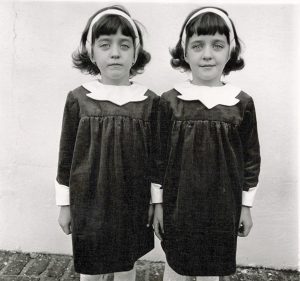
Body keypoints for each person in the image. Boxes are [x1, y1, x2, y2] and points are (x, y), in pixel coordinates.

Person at [153, 6, 261, 281]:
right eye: (198, 45)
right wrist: (158, 204)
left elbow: (251, 158)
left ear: (230, 51)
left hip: (222, 211)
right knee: (177, 267)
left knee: (212, 272)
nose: (207, 54)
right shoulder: (170, 101)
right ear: (185, 51)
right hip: (180, 209)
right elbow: (157, 158)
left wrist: (246, 206)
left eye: (217, 45)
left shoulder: (241, 103)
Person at [55, 5, 162, 281]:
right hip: (89, 202)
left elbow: (157, 160)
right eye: (105, 44)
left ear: (135, 52)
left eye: (124, 45)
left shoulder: (149, 102)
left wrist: (156, 201)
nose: (115, 52)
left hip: (132, 203)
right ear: (91, 51)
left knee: (127, 263)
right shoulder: (79, 99)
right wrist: (64, 205)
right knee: (91, 265)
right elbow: (66, 156)